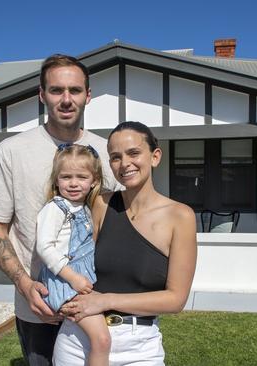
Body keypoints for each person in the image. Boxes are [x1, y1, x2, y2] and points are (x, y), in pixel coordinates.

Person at [0, 54, 118, 365]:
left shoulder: (107, 153)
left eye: (75, 90)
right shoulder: (11, 152)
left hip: (94, 299)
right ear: (42, 95)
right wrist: (24, 284)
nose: (66, 100)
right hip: (38, 307)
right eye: (56, 90)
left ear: (88, 95)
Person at [54, 121, 198, 365]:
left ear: (155, 156)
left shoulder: (180, 217)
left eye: (133, 153)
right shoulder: (101, 204)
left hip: (139, 346)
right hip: (79, 340)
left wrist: (106, 300)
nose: (125, 164)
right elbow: (70, 257)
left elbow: (176, 299)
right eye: (115, 157)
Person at [36, 143, 111, 366]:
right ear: (56, 180)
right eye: (66, 176)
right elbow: (45, 247)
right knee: (102, 339)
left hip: (78, 281)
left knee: (90, 339)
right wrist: (73, 278)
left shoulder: (83, 208)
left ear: (94, 181)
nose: (74, 183)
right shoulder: (56, 208)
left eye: (81, 177)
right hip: (65, 282)